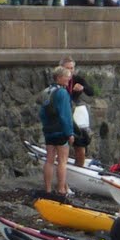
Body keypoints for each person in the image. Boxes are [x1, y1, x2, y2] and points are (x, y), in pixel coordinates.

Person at [39, 66, 75, 197]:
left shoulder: (46, 91)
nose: (69, 78)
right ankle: (61, 189)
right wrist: (69, 133)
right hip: (60, 131)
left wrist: (46, 127)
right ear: (59, 78)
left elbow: (42, 113)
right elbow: (65, 115)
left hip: (48, 131)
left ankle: (47, 189)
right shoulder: (62, 93)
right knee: (62, 161)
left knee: (49, 160)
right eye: (67, 76)